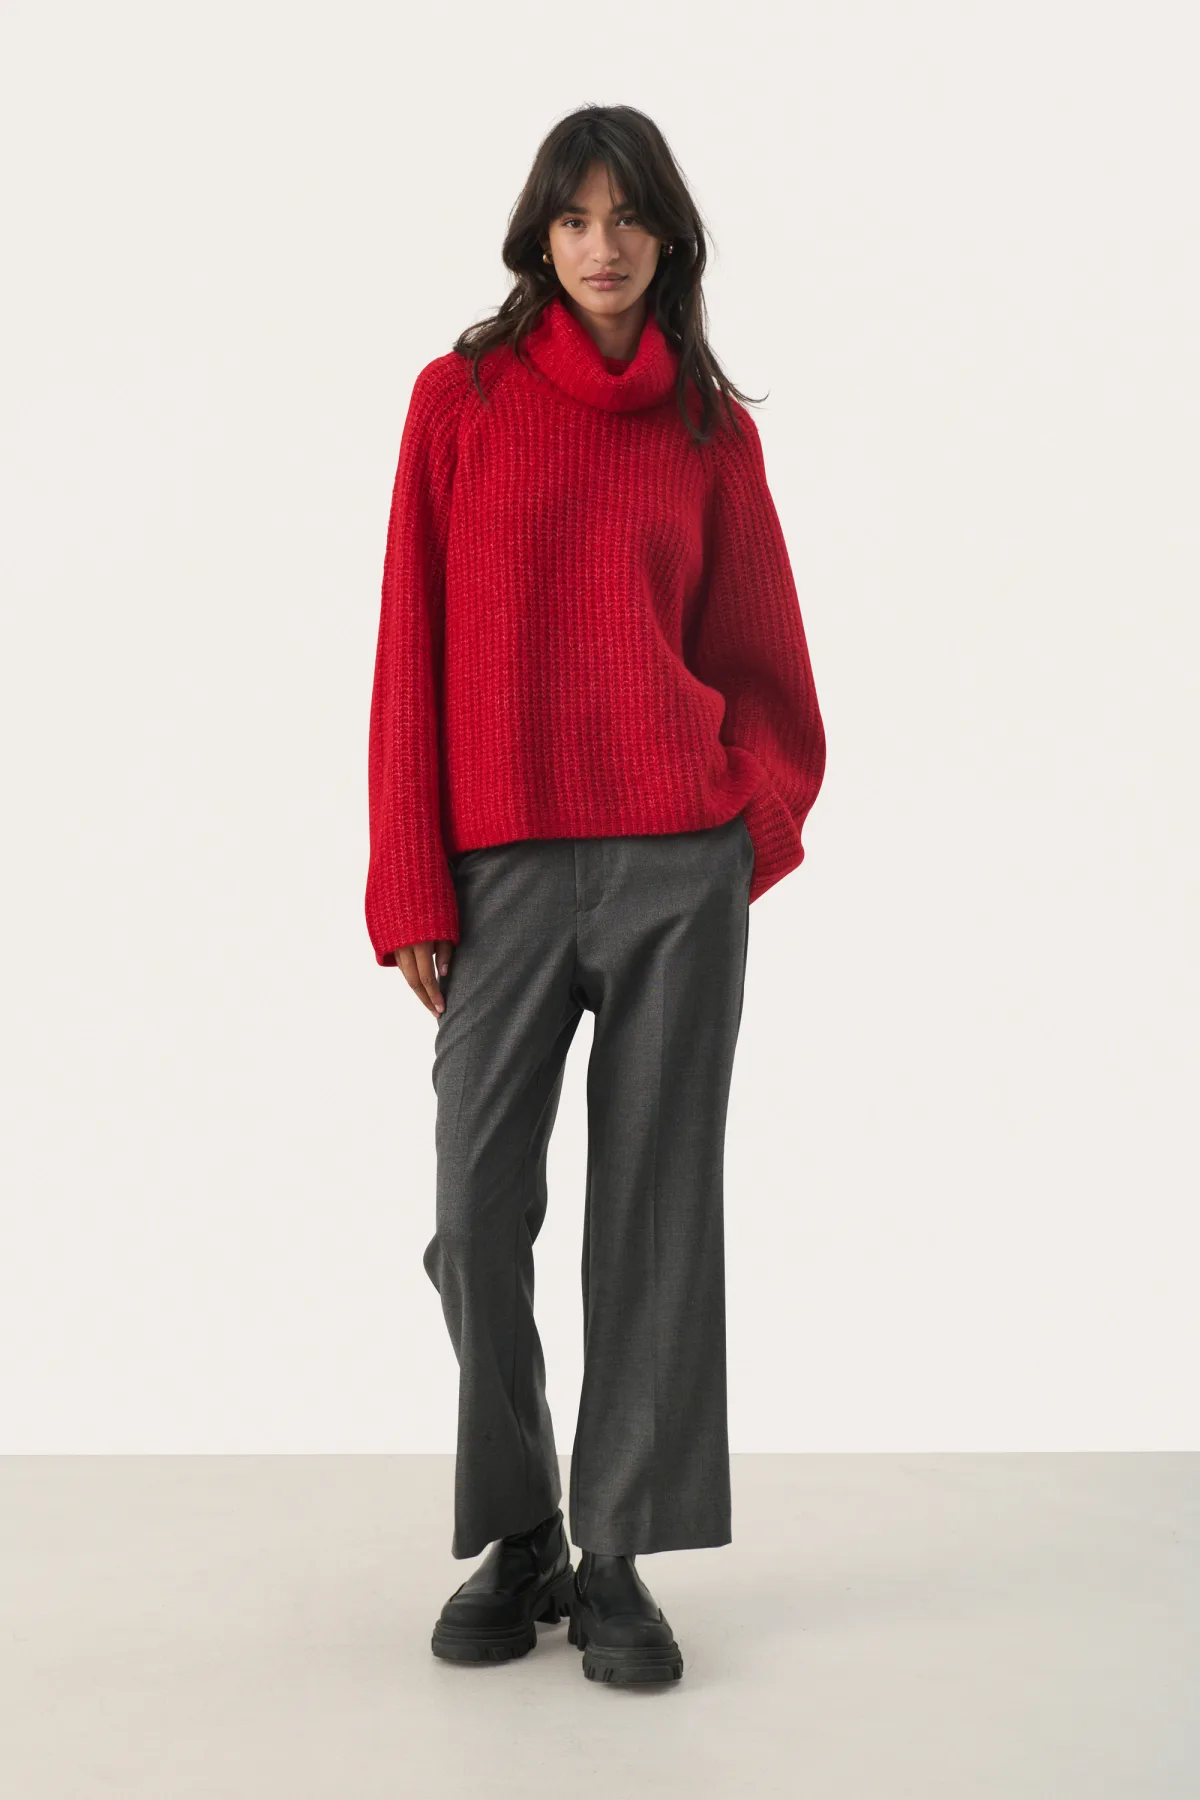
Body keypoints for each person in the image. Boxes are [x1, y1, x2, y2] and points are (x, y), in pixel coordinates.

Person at [364, 104, 826, 1687]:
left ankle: (617, 1552)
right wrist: (410, 879)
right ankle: (523, 1530)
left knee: (654, 1215)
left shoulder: (710, 431)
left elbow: (765, 663)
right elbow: (408, 643)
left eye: (628, 216)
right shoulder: (461, 402)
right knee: (474, 1213)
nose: (603, 244)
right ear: (539, 237)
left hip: (674, 869)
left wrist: (741, 833)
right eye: (575, 216)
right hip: (498, 872)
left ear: (668, 236)